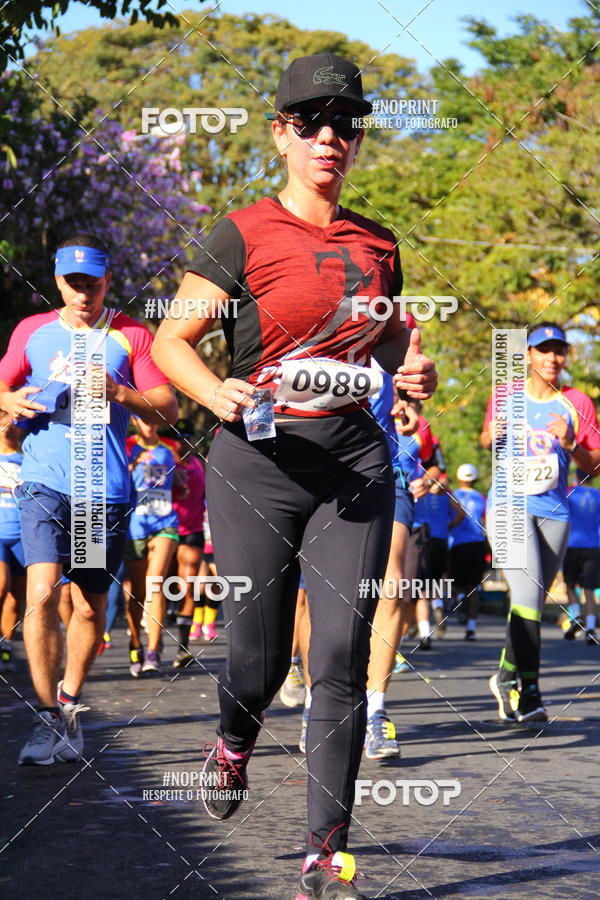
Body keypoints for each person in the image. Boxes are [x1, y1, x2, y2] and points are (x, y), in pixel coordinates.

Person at [152, 52, 437, 900]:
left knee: (343, 653)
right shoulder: (240, 232)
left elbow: (389, 340)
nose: (328, 137)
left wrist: (412, 368)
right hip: (257, 460)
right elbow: (173, 343)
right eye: (309, 122)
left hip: (351, 460)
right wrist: (217, 393)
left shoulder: (379, 242)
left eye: (344, 123)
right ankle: (234, 738)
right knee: (258, 658)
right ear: (280, 133)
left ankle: (325, 847)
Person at [0, 233, 177, 765]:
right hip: (43, 480)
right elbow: (1, 385)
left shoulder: (130, 336)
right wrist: (7, 399)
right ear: (57, 282)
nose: (83, 295)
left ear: (108, 282)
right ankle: (45, 716)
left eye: (93, 286)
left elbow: (166, 408)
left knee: (88, 603)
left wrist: (119, 390)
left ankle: (70, 704)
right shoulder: (32, 332)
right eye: (73, 285)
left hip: (102, 491)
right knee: (40, 592)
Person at [482, 322, 600, 723]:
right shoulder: (504, 395)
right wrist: (490, 435)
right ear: (528, 355)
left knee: (528, 599)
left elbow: (593, 466)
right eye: (543, 350)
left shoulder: (578, 402)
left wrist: (571, 442)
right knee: (529, 594)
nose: (552, 358)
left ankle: (504, 675)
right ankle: (530, 692)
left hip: (555, 511)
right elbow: (486, 439)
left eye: (559, 351)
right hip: (508, 505)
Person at [124, 416, 179, 675]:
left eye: (155, 420)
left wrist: (182, 483)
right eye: (145, 420)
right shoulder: (125, 447)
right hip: (134, 525)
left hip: (164, 523)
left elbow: (176, 482)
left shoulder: (169, 450)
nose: (150, 424)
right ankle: (135, 643)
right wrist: (133, 464)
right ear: (135, 420)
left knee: (155, 583)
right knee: (138, 591)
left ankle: (153, 651)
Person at [171, 428, 206, 666]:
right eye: (179, 439)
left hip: (192, 531)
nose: (184, 444)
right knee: (146, 587)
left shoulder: (198, 465)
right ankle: (144, 644)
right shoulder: (163, 463)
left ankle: (182, 647)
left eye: (187, 438)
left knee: (190, 585)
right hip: (164, 530)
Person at [449, 464, 488, 640]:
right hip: (478, 544)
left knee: (454, 583)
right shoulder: (482, 498)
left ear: (458, 479)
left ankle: (459, 601)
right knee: (474, 588)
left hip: (457, 545)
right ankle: (471, 628)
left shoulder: (452, 495)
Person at [562, 469, 600, 645]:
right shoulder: (598, 495)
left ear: (576, 476)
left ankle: (577, 617)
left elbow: (562, 518)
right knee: (590, 590)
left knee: (570, 586)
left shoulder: (569, 493)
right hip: (593, 547)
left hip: (572, 546)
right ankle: (591, 629)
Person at [0, 410, 25, 673]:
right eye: (3, 420)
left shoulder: (28, 460)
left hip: (21, 535)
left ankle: (6, 644)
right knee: (1, 586)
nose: (9, 426)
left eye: (14, 422)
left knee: (16, 598)